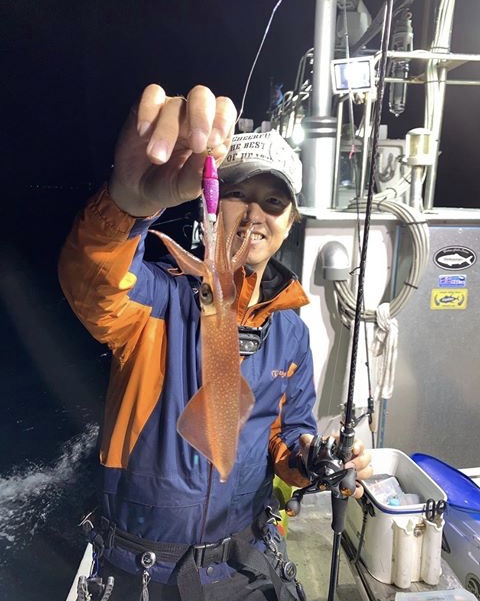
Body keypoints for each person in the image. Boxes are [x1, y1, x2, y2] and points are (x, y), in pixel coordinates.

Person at [59, 83, 372, 601]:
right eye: (238, 194)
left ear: (290, 222)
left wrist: (312, 460)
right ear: (210, 203)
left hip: (246, 561)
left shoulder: (291, 331)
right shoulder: (156, 301)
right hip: (145, 570)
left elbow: (286, 436)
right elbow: (95, 281)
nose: (254, 213)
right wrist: (127, 204)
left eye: (273, 201)